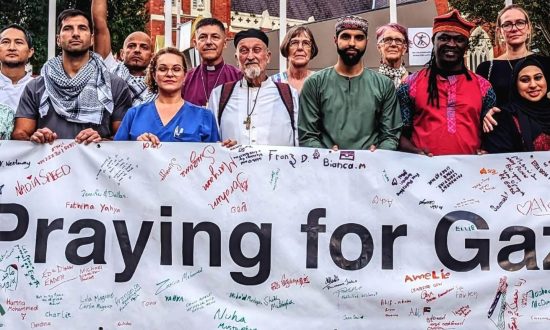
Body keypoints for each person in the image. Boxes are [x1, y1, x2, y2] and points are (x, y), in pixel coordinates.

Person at [12, 9, 132, 143]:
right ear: (58, 40)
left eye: (82, 28)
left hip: (96, 163)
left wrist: (101, 141)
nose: (75, 34)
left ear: (92, 39)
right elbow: (19, 134)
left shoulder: (114, 85)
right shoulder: (36, 86)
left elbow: (123, 137)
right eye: (68, 28)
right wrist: (35, 137)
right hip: (48, 163)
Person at [397, 9, 496, 156]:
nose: (451, 44)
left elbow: (493, 134)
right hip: (424, 173)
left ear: (466, 46)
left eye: (459, 39)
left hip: (472, 173)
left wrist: (488, 151)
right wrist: (415, 152)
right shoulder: (409, 85)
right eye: (444, 38)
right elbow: (398, 134)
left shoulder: (484, 88)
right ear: (433, 41)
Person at [299, 15, 402, 151]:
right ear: (335, 40)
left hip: (370, 167)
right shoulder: (315, 83)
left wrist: (379, 154)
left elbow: (391, 135)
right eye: (346, 36)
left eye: (359, 37)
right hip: (327, 167)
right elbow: (307, 135)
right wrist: (326, 154)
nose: (352, 43)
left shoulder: (384, 85)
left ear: (367, 41)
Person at [208, 29, 299, 146]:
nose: (250, 56)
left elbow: (300, 143)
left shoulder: (289, 95)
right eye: (244, 51)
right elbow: (210, 145)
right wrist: (222, 146)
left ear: (268, 57)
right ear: (237, 59)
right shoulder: (219, 95)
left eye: (257, 50)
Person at [114, 47, 219, 144]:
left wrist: (229, 149)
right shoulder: (134, 115)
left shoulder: (204, 116)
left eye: (176, 69)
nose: (169, 74)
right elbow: (115, 156)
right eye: (163, 69)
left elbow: (214, 157)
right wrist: (136, 148)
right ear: (154, 75)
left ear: (185, 76)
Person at [476, 4, 550, 108]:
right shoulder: (486, 68)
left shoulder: (545, 64)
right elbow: (478, 106)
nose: (514, 29)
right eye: (507, 24)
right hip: (501, 123)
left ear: (528, 28)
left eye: (520, 23)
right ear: (499, 31)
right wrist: (485, 114)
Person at [92, 0, 155, 105]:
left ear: (152, 57)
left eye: (144, 47)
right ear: (122, 53)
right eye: (131, 46)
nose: (137, 50)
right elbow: (99, 26)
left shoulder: (159, 83)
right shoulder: (110, 69)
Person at [483, 57, 550, 152]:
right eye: (525, 80)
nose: (533, 85)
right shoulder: (502, 118)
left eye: (538, 78)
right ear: (515, 85)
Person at [181, 18, 241, 107]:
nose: (208, 42)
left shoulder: (239, 77)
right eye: (203, 37)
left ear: (224, 43)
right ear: (195, 44)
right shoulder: (185, 79)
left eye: (215, 37)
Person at [272, 25, 318, 93]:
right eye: (294, 43)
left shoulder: (320, 82)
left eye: (306, 43)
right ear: (286, 48)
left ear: (312, 50)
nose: (300, 48)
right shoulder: (273, 83)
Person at [0, 24, 35, 113]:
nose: (12, 48)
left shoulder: (40, 88)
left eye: (19, 42)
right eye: (5, 42)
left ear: (30, 52)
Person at [376, 23, 409, 88]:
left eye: (398, 40)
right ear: (379, 48)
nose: (393, 44)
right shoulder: (372, 82)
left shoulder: (414, 81)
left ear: (404, 49)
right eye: (388, 40)